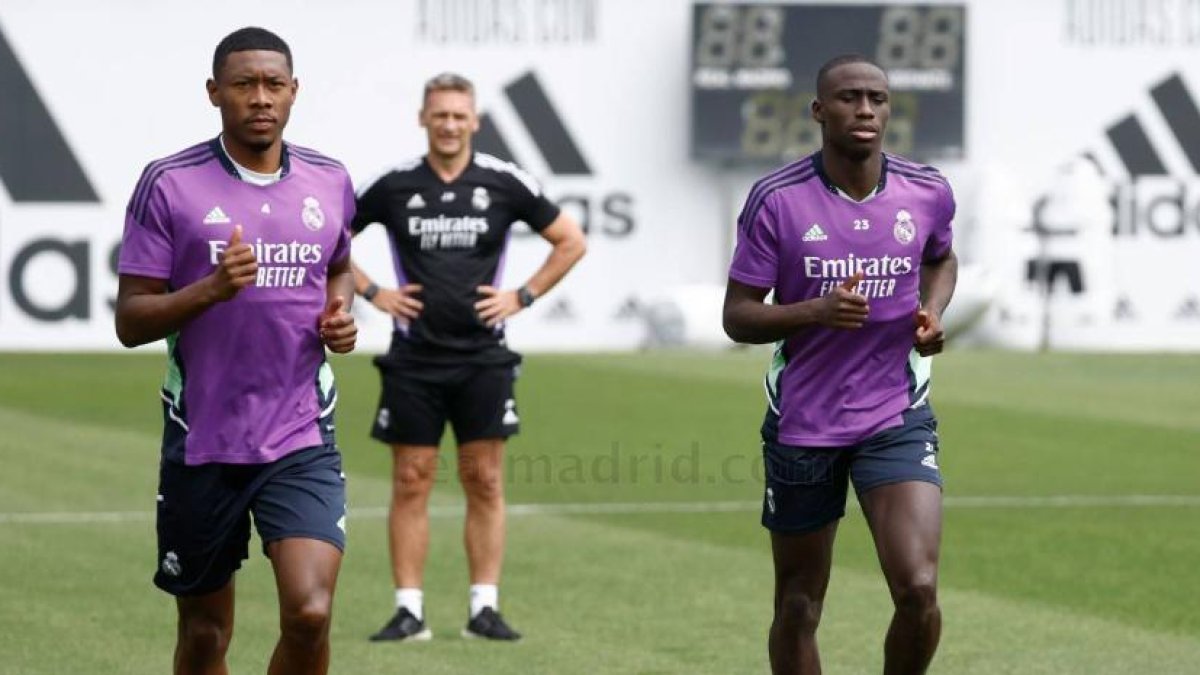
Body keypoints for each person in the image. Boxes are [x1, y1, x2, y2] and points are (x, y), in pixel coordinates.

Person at [114, 27, 357, 675]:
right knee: (203, 635)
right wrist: (210, 289)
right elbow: (131, 320)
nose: (260, 98)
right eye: (244, 84)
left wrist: (341, 310)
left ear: (294, 92)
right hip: (203, 438)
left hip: (301, 431)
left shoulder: (329, 179)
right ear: (214, 91)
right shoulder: (168, 184)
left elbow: (341, 263)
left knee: (309, 611)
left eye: (274, 84)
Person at [722, 54, 958, 675]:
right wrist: (815, 311)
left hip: (895, 413)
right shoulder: (777, 200)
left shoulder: (926, 190)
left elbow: (942, 257)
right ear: (819, 111)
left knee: (919, 589)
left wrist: (929, 312)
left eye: (877, 99)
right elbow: (738, 317)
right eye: (849, 98)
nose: (865, 110)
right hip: (805, 420)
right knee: (799, 605)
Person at [351, 72, 586, 642]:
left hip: (483, 358)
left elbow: (571, 241)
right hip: (413, 359)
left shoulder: (503, 183)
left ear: (475, 121)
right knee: (411, 481)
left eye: (460, 115)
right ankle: (409, 611)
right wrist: (374, 292)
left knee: (484, 482)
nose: (450, 124)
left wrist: (522, 296)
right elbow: (331, 243)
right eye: (441, 114)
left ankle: (484, 607)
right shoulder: (395, 186)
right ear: (423, 118)